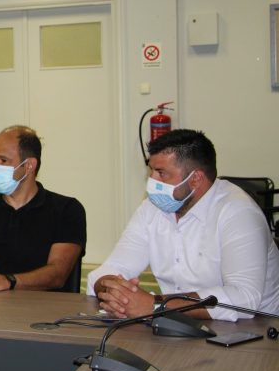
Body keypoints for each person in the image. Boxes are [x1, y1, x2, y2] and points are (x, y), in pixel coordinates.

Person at [88, 129, 279, 321]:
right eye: (151, 171)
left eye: (161, 173)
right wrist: (116, 294)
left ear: (195, 179)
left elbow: (243, 299)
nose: (151, 181)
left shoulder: (238, 212)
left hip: (257, 329)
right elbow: (109, 270)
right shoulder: (152, 208)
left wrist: (154, 304)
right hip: (177, 323)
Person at [0, 126, 86, 292]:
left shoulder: (67, 210)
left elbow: (57, 274)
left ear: (29, 166)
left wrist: (7, 281)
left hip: (44, 304)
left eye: (3, 160)